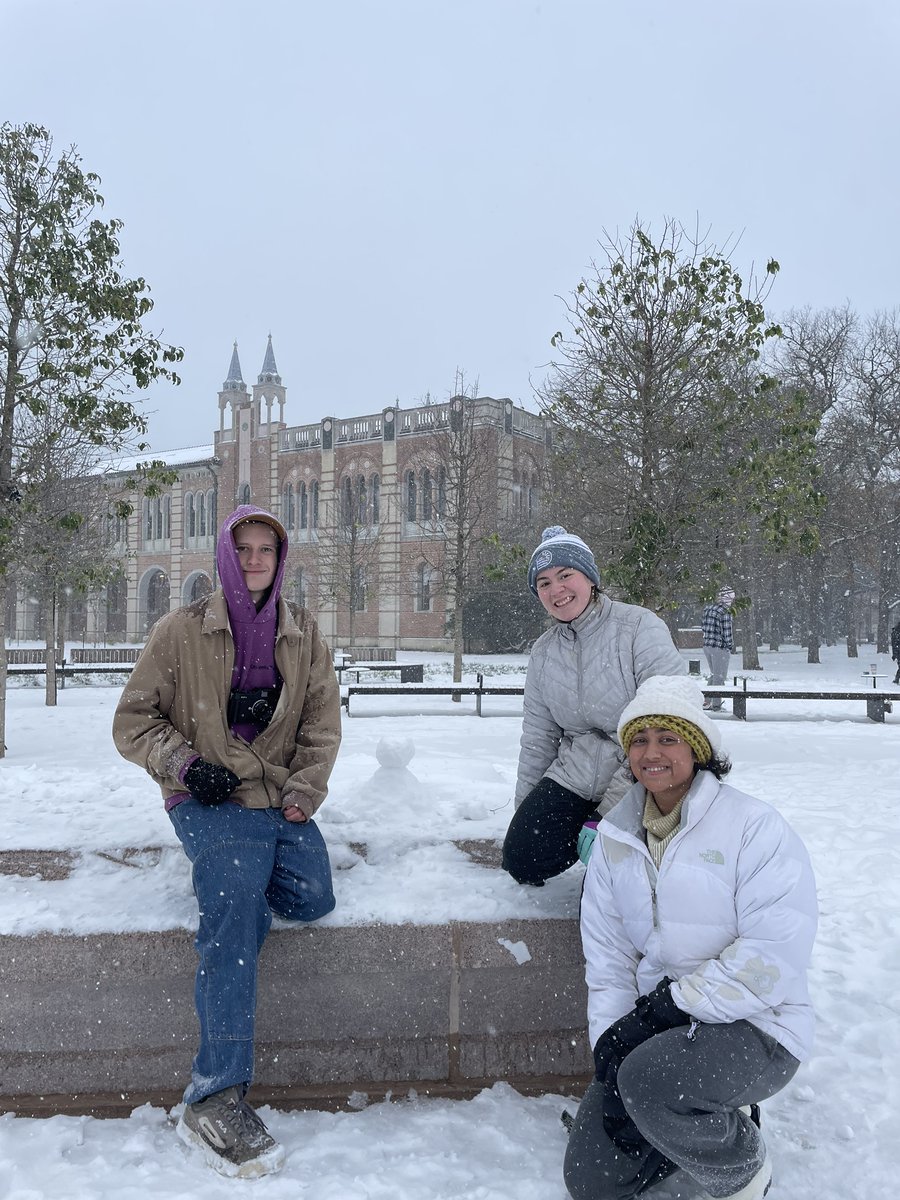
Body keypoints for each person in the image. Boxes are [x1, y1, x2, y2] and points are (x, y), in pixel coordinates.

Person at [113, 504, 341, 1179]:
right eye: (242, 549)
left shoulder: (302, 632)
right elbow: (133, 721)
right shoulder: (180, 630)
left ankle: (240, 872)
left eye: (265, 548)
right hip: (208, 797)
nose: (254, 560)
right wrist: (186, 766)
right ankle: (214, 1095)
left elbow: (322, 724)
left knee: (312, 895)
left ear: (281, 555)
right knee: (236, 906)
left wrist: (304, 791)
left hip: (275, 798)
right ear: (224, 556)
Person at [563, 674, 817, 1200]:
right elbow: (609, 958)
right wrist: (612, 1044)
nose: (651, 753)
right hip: (657, 1029)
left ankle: (742, 1166)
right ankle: (674, 1116)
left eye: (668, 738)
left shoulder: (753, 827)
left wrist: (670, 1009)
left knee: (649, 1082)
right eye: (639, 740)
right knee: (593, 1179)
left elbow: (772, 953)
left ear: (698, 750)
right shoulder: (614, 838)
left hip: (758, 1023)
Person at [501, 526, 686, 886]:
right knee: (523, 858)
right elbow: (538, 738)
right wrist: (525, 813)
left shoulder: (639, 627)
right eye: (543, 583)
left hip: (645, 772)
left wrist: (609, 814)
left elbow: (668, 721)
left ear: (590, 577)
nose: (556, 590)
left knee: (616, 880)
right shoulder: (543, 652)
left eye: (565, 575)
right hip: (576, 772)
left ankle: (639, 853)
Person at [702, 585, 736, 711]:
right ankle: (716, 705)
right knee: (719, 677)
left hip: (707, 646)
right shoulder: (725, 612)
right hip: (719, 648)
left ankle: (706, 701)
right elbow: (727, 632)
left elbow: (704, 627)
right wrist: (730, 646)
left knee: (714, 674)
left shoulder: (708, 609)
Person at [891, 619, 900, 685]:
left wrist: (894, 654)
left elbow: (894, 644)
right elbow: (894, 644)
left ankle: (897, 678)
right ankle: (897, 678)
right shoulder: (896, 632)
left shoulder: (895, 632)